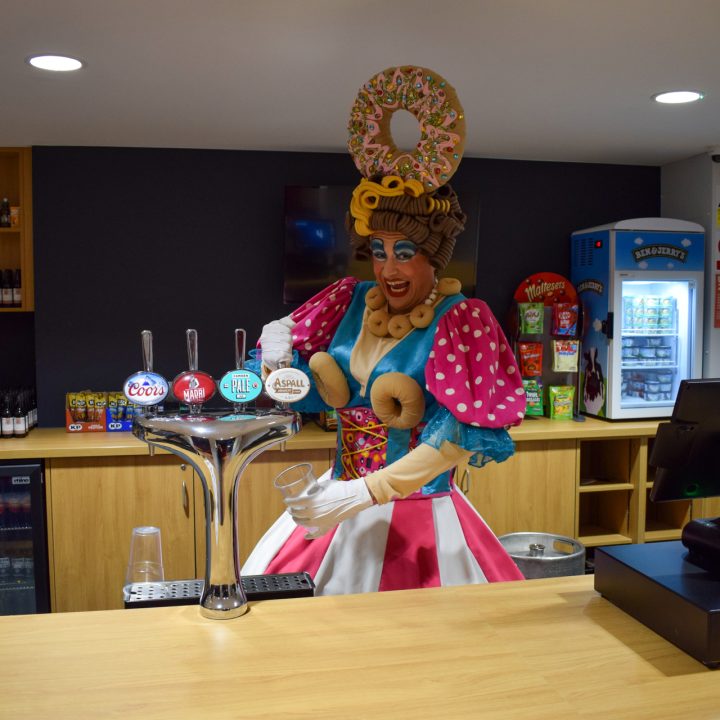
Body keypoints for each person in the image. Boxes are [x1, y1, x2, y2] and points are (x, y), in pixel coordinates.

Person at [242, 175, 527, 594]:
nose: (388, 269)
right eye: (379, 252)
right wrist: (276, 360)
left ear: (433, 257)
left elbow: (461, 431)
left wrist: (366, 493)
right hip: (336, 494)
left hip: (418, 507)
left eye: (404, 253)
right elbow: (296, 383)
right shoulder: (352, 300)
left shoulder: (463, 319)